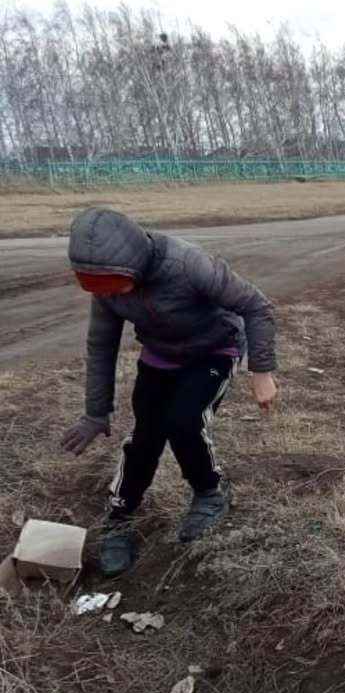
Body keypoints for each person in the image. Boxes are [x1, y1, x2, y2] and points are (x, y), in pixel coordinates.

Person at [61, 207, 277, 577]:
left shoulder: (187, 264)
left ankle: (209, 493)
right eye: (96, 285)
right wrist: (96, 412)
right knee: (145, 436)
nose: (106, 293)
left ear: (131, 262)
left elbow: (256, 307)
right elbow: (101, 345)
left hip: (214, 349)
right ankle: (120, 518)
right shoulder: (107, 291)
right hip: (160, 355)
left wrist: (261, 371)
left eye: (110, 282)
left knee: (183, 421)